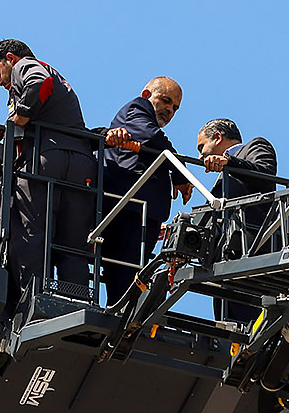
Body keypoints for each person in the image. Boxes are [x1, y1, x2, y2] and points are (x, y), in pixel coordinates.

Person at [0, 39, 96, 298]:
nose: (1, 82)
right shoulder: (58, 77)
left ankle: (32, 300)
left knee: (31, 236)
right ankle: (76, 300)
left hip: (45, 160)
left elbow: (38, 84)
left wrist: (18, 118)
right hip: (81, 165)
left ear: (10, 59)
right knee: (72, 245)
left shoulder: (26, 67)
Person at [99, 77, 194, 304]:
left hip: (138, 209)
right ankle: (123, 318)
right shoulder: (137, 108)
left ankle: (125, 317)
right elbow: (152, 138)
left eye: (175, 108)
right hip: (128, 207)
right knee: (126, 277)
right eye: (165, 101)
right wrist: (180, 173)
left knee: (131, 276)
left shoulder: (144, 117)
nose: (169, 110)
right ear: (146, 95)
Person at [197, 118, 277, 323]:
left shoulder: (255, 146)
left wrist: (230, 163)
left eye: (201, 147)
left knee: (251, 324)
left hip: (251, 248)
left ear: (217, 137)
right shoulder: (221, 178)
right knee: (229, 327)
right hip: (225, 259)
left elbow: (266, 173)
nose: (200, 155)